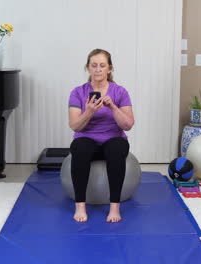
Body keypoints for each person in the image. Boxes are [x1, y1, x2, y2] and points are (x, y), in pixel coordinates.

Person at [68, 49, 135, 223]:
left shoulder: (120, 92)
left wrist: (113, 107)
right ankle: (80, 206)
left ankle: (114, 207)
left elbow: (128, 125)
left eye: (102, 65)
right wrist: (89, 111)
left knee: (117, 147)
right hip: (87, 141)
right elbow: (74, 125)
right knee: (79, 147)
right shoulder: (78, 92)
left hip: (112, 141)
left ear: (109, 69)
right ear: (88, 68)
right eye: (94, 65)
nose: (98, 69)